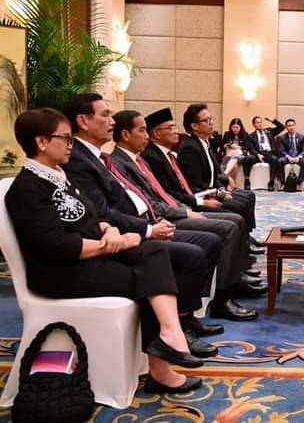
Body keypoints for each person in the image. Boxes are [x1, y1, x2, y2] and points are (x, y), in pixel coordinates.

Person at [7, 108, 206, 394]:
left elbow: (91, 217)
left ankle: (170, 335)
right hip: (62, 274)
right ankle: (163, 364)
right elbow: (57, 246)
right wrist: (111, 244)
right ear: (42, 142)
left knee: (153, 253)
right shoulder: (28, 188)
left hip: (91, 256)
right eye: (65, 139)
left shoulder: (58, 175)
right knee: (150, 276)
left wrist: (109, 230)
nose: (71, 145)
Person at [111, 110, 266, 320]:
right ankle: (221, 297)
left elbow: (162, 195)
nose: (146, 136)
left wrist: (188, 208)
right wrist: (187, 211)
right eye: (142, 131)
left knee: (236, 214)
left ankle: (231, 280)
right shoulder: (124, 162)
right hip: (159, 219)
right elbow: (152, 201)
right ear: (126, 135)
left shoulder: (140, 159)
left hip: (173, 209)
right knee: (230, 224)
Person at [141, 108, 265, 256]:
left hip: (193, 198)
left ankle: (245, 240)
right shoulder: (161, 154)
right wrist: (206, 199)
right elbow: (176, 190)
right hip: (187, 202)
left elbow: (214, 173)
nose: (177, 131)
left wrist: (220, 190)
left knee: (246, 198)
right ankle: (243, 248)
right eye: (171, 128)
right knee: (235, 212)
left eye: (211, 119)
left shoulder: (173, 153)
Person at [177, 104, 260, 242]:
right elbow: (195, 184)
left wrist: (224, 185)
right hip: (203, 195)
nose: (211, 123)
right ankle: (243, 240)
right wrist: (221, 193)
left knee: (249, 196)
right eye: (206, 120)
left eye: (211, 119)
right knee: (239, 205)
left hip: (212, 189)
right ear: (194, 126)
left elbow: (214, 173)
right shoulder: (190, 147)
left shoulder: (205, 143)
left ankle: (246, 236)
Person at [245, 115, 285, 189]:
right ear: (253, 125)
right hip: (258, 154)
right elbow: (251, 148)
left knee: (275, 159)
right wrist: (257, 154)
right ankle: (247, 181)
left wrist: (272, 120)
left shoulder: (269, 131)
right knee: (247, 159)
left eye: (261, 122)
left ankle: (271, 182)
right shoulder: (251, 136)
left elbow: (282, 127)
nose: (260, 124)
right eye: (257, 122)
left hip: (269, 154)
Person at [222, 118, 253, 189]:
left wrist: (238, 147)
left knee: (236, 157)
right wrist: (229, 145)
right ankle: (233, 184)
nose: (235, 129)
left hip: (240, 155)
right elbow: (223, 145)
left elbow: (247, 147)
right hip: (229, 154)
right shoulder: (227, 134)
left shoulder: (245, 135)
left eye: (237, 127)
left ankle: (225, 174)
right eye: (233, 127)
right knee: (234, 165)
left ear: (240, 127)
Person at [277, 118, 304, 186]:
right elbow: (282, 150)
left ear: (295, 126)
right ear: (286, 127)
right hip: (287, 157)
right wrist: (288, 157)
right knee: (280, 161)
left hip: (298, 157)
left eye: (293, 125)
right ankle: (282, 183)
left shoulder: (302, 137)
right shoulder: (282, 137)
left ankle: (300, 182)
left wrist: (298, 157)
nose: (291, 127)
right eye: (289, 126)